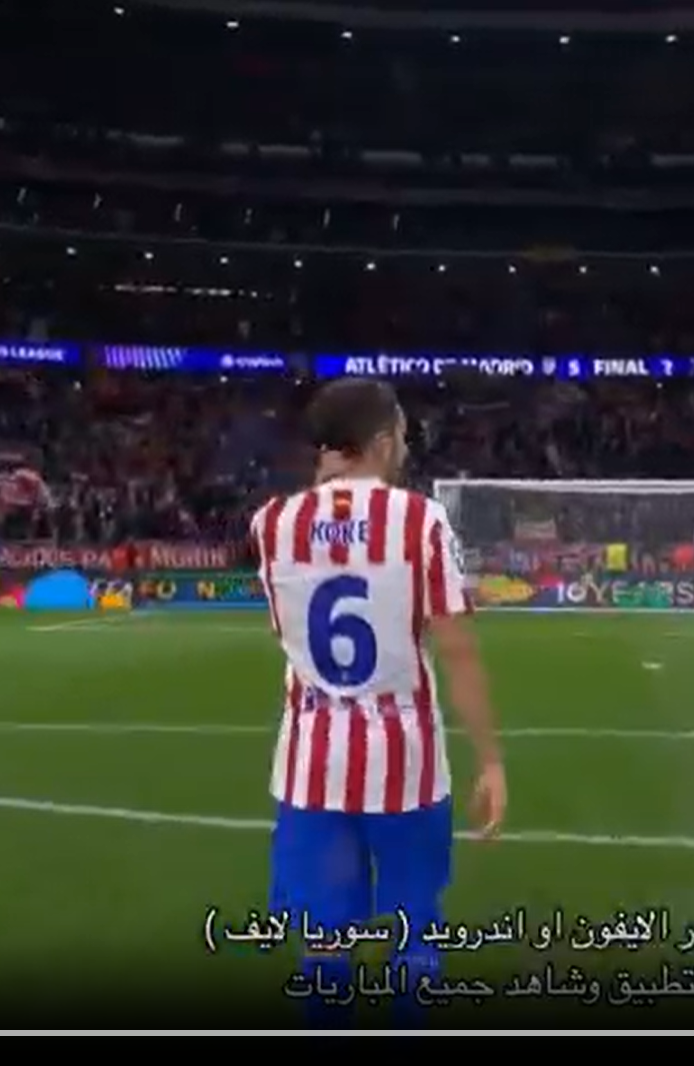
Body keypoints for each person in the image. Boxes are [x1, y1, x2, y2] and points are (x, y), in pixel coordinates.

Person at [249, 377, 507, 1027]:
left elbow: (286, 628)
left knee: (324, 943)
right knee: (414, 931)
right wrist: (490, 760)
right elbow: (457, 650)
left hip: (310, 764)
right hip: (407, 763)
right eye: (403, 436)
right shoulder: (421, 520)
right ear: (384, 440)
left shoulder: (272, 523)